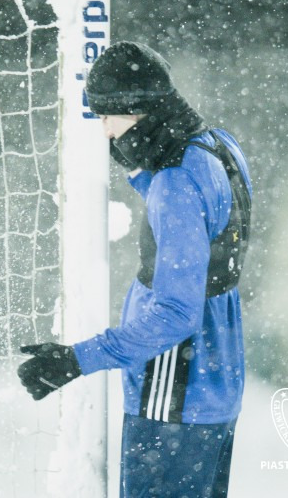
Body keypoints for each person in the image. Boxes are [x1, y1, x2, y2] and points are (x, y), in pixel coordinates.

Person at [17, 42, 252, 497]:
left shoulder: (176, 180)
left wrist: (76, 359)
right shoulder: (219, 146)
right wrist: (146, 175)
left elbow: (175, 315)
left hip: (174, 396)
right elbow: (210, 229)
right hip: (217, 387)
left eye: (108, 116)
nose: (105, 131)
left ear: (136, 109)